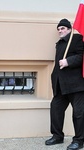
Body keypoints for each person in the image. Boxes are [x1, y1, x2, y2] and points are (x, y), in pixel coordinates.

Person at [45, 19, 84, 150]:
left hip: (76, 84)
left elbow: (81, 56)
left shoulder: (77, 38)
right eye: (59, 29)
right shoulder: (59, 44)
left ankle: (79, 140)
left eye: (63, 28)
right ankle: (57, 136)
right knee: (55, 109)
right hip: (60, 85)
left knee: (79, 113)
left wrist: (68, 61)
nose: (60, 31)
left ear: (69, 29)